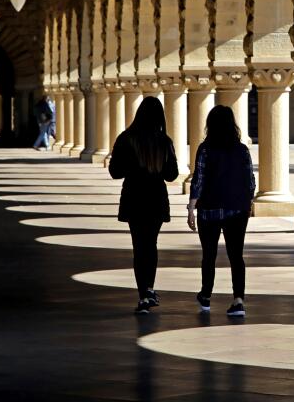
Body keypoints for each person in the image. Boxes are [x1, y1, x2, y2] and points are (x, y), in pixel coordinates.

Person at [108, 96, 179, 314]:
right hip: (156, 199)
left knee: (139, 246)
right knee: (151, 244)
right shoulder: (164, 141)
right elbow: (172, 175)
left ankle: (143, 295)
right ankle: (149, 288)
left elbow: (115, 172)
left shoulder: (126, 138)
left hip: (134, 197)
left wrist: (132, 166)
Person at [187, 105, 256, 317]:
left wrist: (191, 208)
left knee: (209, 254)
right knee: (237, 255)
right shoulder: (242, 150)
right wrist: (245, 202)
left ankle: (206, 296)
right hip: (236, 209)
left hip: (209, 209)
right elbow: (251, 181)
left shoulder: (205, 149)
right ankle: (238, 300)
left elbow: (198, 179)